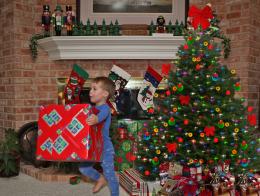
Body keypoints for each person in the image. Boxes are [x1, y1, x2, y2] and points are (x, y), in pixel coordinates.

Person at [79, 77, 119, 196]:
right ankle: (100, 179)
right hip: (93, 146)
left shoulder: (106, 108)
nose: (90, 91)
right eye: (91, 88)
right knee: (83, 168)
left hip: (105, 148)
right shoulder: (90, 109)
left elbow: (99, 117)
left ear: (105, 94)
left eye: (94, 89)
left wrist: (96, 119)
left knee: (110, 175)